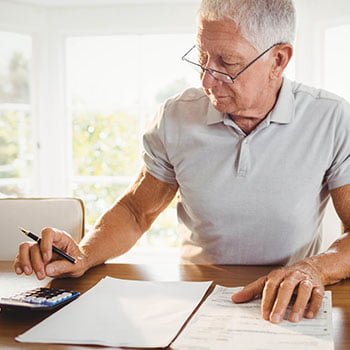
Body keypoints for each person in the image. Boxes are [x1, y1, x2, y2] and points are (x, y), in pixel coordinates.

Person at [14, 0, 350, 324]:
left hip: (284, 300)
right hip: (197, 299)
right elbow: (135, 211)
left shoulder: (331, 117)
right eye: (202, 58)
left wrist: (313, 269)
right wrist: (83, 255)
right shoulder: (176, 117)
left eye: (227, 63)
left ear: (278, 60)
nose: (206, 80)